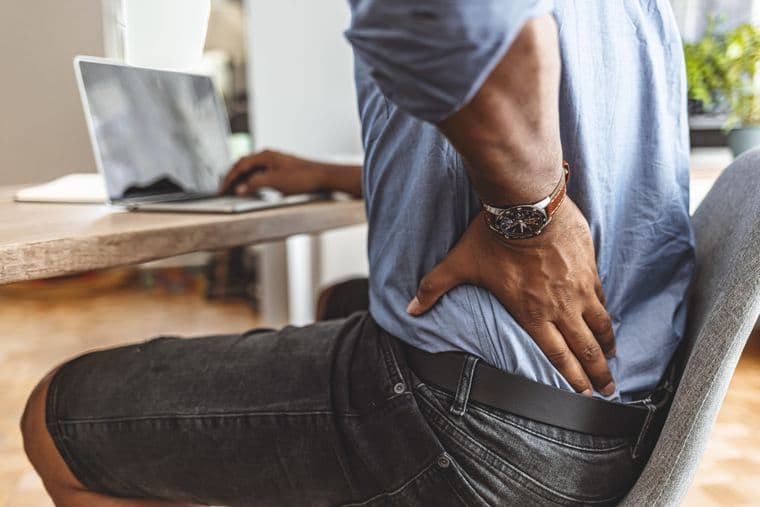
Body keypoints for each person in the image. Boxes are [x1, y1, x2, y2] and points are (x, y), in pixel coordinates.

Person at [21, 1, 694, 506]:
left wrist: (530, 219)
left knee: (56, 418)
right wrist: (331, 174)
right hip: (616, 414)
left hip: (476, 427)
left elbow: (449, 18)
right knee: (338, 301)